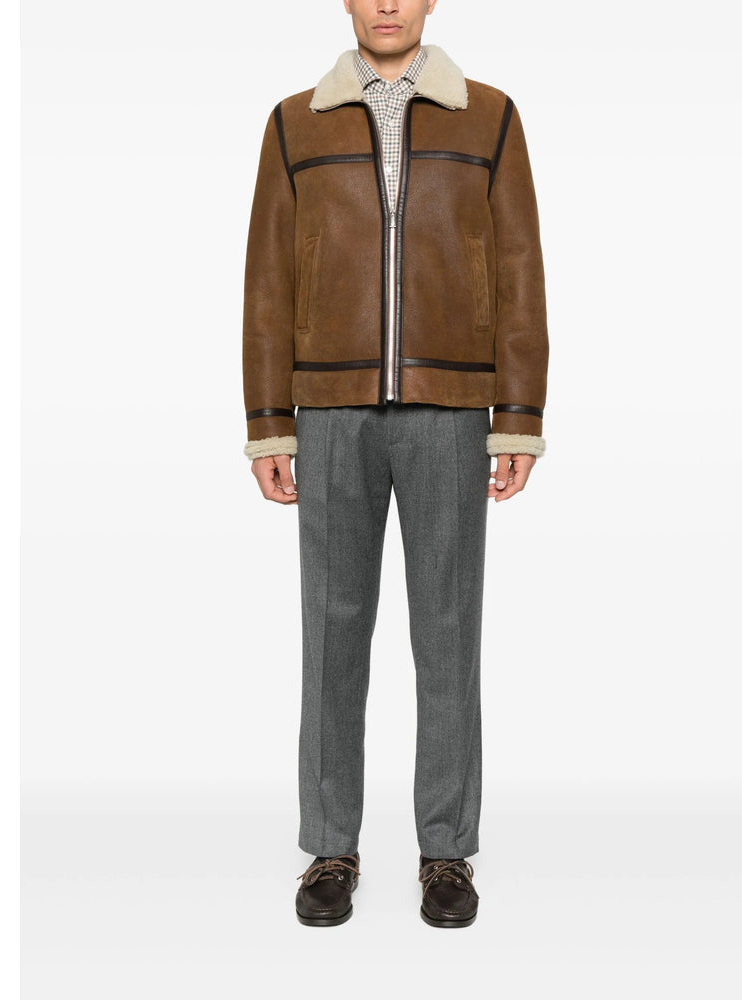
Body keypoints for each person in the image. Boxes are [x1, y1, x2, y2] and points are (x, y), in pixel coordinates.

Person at [241, 0, 549, 928]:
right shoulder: (294, 123)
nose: (386, 3)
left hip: (449, 407)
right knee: (331, 634)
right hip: (330, 409)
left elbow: (520, 269)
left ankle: (446, 851)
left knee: (448, 632)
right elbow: (267, 280)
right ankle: (330, 847)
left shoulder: (489, 116)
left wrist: (517, 417)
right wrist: (270, 423)